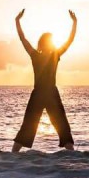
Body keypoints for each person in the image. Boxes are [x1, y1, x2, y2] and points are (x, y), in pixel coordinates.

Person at [12, 9, 77, 152]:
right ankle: (71, 152)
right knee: (58, 125)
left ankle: (13, 153)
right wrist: (74, 22)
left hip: (42, 94)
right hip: (48, 93)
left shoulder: (41, 55)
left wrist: (17, 21)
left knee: (34, 125)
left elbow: (23, 39)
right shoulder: (53, 55)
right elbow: (70, 40)